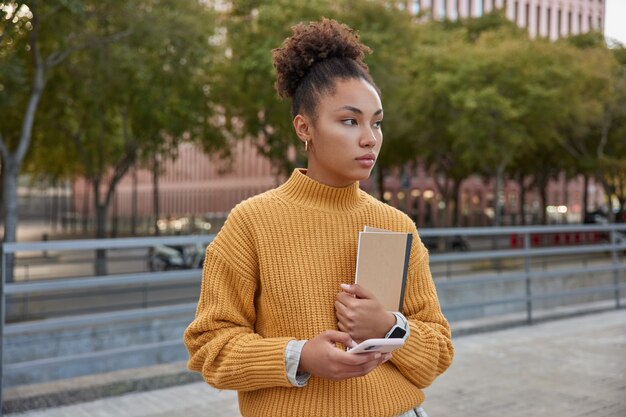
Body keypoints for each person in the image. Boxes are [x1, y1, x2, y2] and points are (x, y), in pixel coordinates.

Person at [184, 18, 453, 417]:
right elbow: (210, 347)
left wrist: (388, 326)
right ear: (304, 127)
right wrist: (300, 356)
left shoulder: (397, 224)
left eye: (376, 122)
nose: (370, 138)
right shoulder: (252, 222)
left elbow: (438, 353)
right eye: (350, 121)